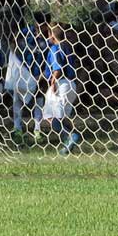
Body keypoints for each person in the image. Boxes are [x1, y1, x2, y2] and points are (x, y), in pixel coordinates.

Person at [6, 13, 48, 145]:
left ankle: (37, 130)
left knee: (39, 101)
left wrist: (41, 76)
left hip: (37, 75)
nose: (40, 28)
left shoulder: (48, 39)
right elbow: (13, 40)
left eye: (43, 25)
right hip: (22, 75)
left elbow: (48, 59)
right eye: (38, 24)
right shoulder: (26, 32)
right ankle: (17, 129)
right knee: (17, 100)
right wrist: (15, 62)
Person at [41, 25, 80, 155]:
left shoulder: (54, 48)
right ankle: (68, 142)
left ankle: (70, 136)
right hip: (71, 85)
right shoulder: (67, 47)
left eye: (48, 35)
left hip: (61, 84)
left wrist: (53, 82)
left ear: (52, 36)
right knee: (60, 117)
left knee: (50, 116)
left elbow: (57, 69)